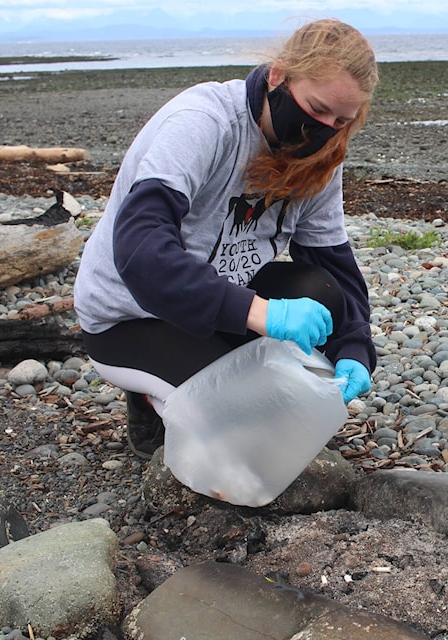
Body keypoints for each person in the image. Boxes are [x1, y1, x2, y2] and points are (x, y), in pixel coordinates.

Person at [73, 18, 378, 459]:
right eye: (316, 109)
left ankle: (212, 371)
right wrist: (259, 313)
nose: (324, 129)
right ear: (279, 76)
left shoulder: (322, 153)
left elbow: (333, 261)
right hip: (132, 315)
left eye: (341, 120)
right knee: (244, 434)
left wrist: (354, 345)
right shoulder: (203, 122)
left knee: (321, 293)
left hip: (217, 301)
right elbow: (141, 251)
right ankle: (144, 397)